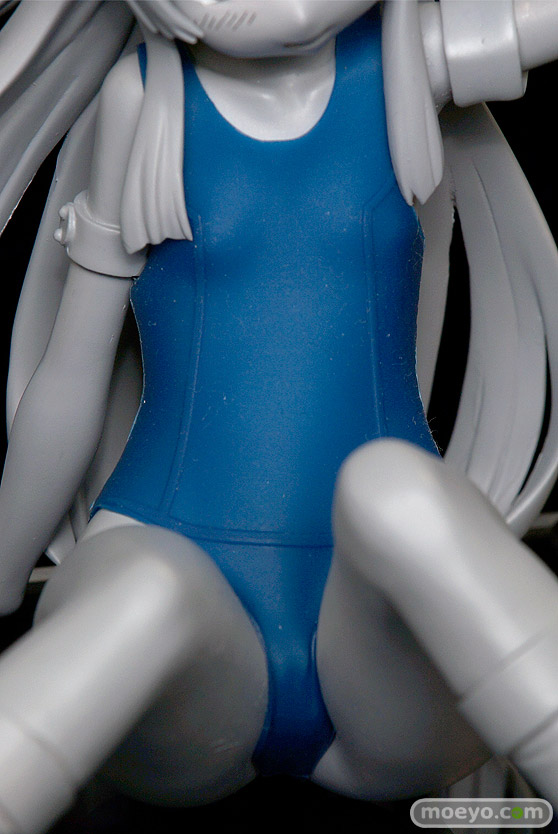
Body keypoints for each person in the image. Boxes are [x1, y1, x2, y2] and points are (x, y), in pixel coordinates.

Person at [1, 2, 558, 831]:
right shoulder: (142, 98)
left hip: (386, 634)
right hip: (177, 622)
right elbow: (72, 372)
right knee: (148, 592)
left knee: (399, 494)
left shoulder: (407, 66)